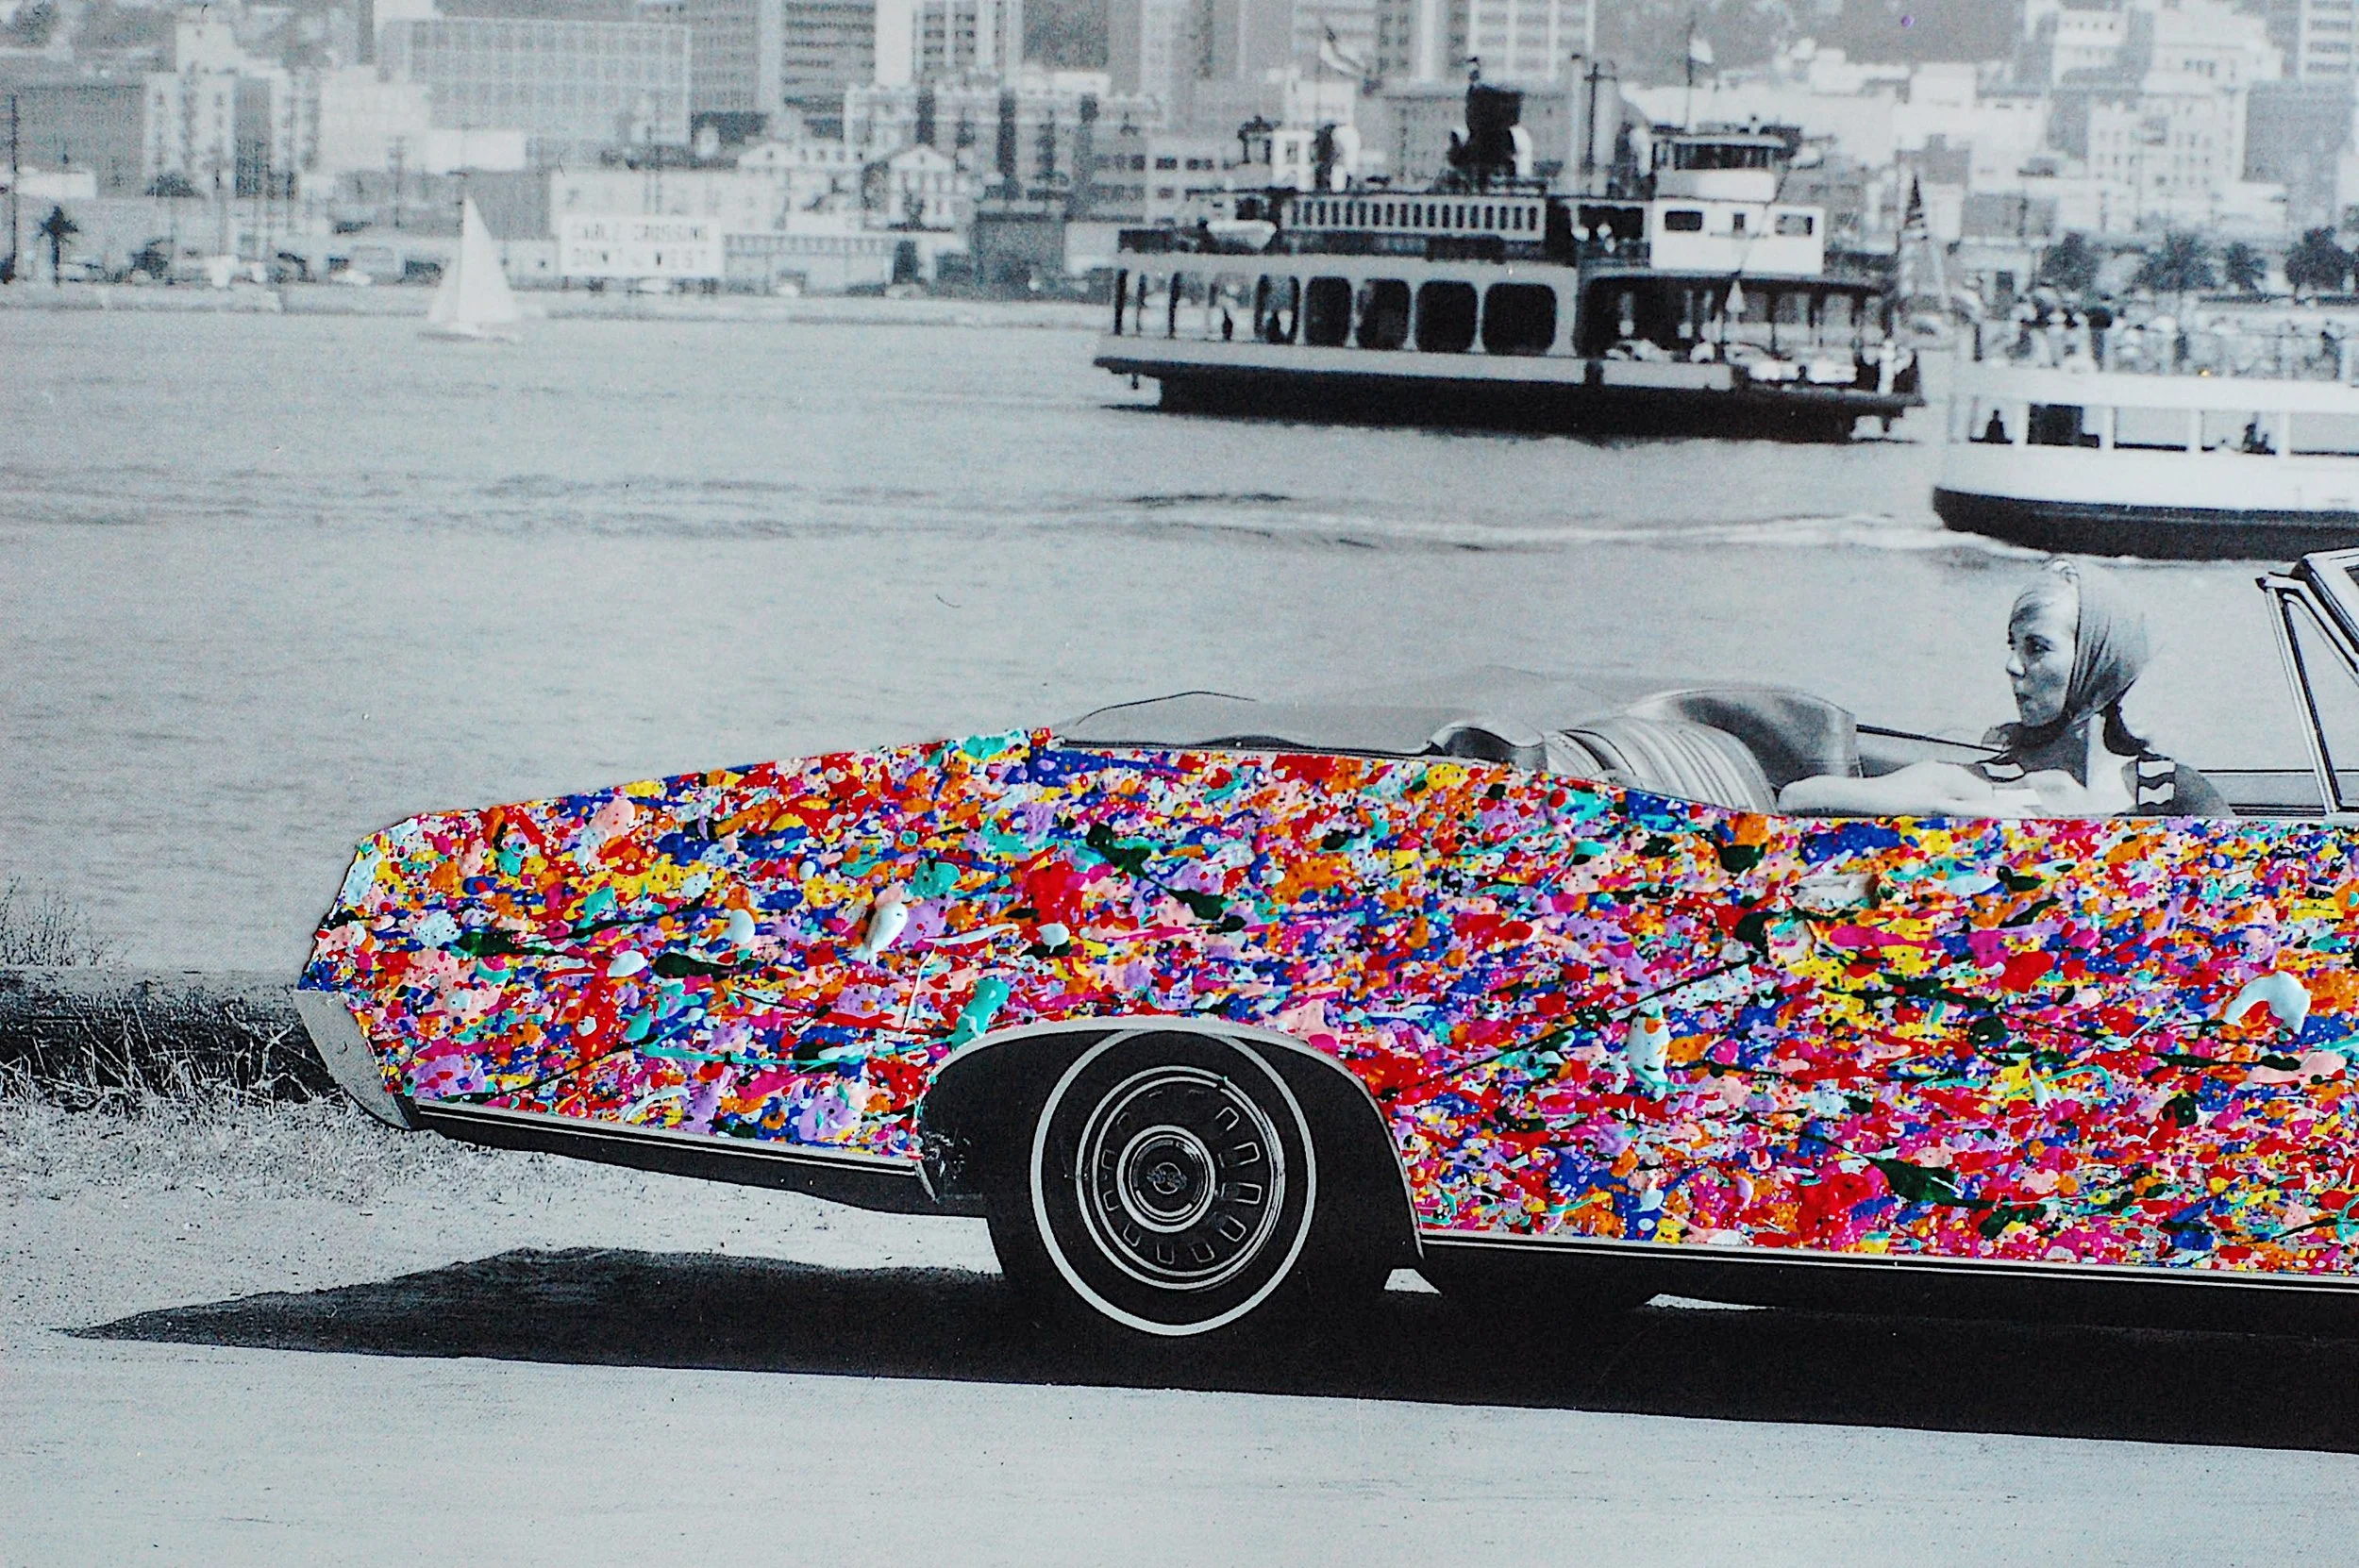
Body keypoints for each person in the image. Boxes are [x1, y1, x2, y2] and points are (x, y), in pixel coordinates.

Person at [1778, 561, 2231, 819]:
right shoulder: (1989, 783)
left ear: (2097, 661)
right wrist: (1964, 811)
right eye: (2013, 646)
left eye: (2036, 648)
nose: (2013, 666)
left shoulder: (2166, 788)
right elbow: (1800, 797)